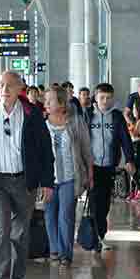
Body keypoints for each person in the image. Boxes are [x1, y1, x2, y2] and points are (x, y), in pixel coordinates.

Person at [0, 71, 55, 279]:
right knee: (1, 227)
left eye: (10, 86)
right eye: (1, 85)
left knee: (20, 231)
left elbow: (45, 150)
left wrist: (47, 181)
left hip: (23, 180)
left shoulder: (32, 114)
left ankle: (16, 277)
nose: (5, 90)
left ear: (21, 89)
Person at [43, 85, 92, 266]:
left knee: (66, 215)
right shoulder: (41, 124)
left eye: (50, 101)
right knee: (49, 215)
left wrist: (90, 173)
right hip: (49, 179)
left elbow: (87, 149)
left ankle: (65, 253)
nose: (46, 104)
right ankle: (54, 249)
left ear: (62, 103)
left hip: (70, 177)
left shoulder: (76, 121)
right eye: (45, 100)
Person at [85, 83, 136, 246]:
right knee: (94, 201)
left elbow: (125, 139)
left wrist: (129, 159)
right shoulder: (87, 115)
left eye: (108, 98)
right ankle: (96, 236)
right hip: (91, 166)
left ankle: (100, 233)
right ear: (95, 97)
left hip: (108, 165)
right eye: (102, 98)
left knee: (105, 201)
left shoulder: (116, 117)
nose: (105, 101)